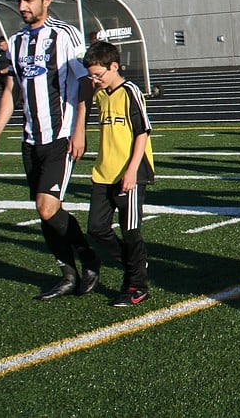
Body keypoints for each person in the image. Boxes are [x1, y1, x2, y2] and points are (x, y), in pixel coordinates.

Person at [0, 0, 100, 300]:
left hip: (60, 136)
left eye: (28, 0)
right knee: (43, 210)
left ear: (46, 0)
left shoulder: (65, 36)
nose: (22, 6)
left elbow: (84, 83)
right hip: (30, 138)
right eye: (19, 0)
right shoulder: (18, 40)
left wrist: (79, 130)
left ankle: (89, 258)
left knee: (47, 206)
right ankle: (67, 273)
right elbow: (11, 91)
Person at [83, 40, 155, 307]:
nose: (94, 79)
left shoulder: (130, 91)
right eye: (91, 75)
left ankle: (137, 285)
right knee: (96, 228)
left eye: (98, 74)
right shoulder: (99, 94)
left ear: (114, 66)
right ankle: (133, 264)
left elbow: (143, 132)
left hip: (130, 174)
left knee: (130, 230)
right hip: (103, 173)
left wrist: (132, 170)